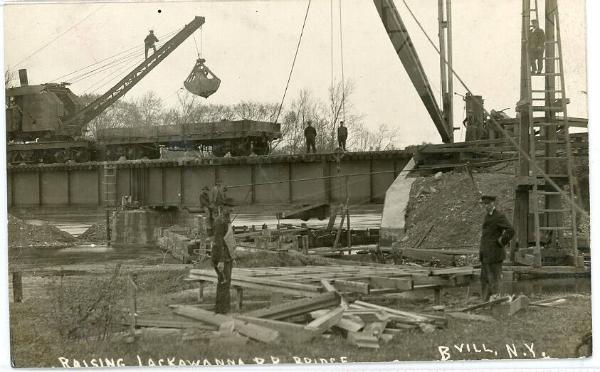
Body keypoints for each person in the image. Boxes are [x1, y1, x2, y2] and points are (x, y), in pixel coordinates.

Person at [479, 194, 514, 301]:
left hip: (495, 254)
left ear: (493, 203)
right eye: (484, 204)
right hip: (485, 254)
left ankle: (496, 302)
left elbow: (511, 230)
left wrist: (501, 242)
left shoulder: (499, 216)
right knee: (485, 279)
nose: (486, 206)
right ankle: (485, 302)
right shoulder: (487, 216)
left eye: (488, 203)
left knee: (495, 280)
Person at [211, 209, 232, 314]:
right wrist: (221, 260)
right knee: (224, 283)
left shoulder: (226, 219)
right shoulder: (220, 222)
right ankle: (221, 310)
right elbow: (219, 241)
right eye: (229, 207)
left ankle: (223, 309)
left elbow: (227, 239)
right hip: (221, 257)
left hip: (226, 256)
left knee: (225, 283)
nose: (231, 209)